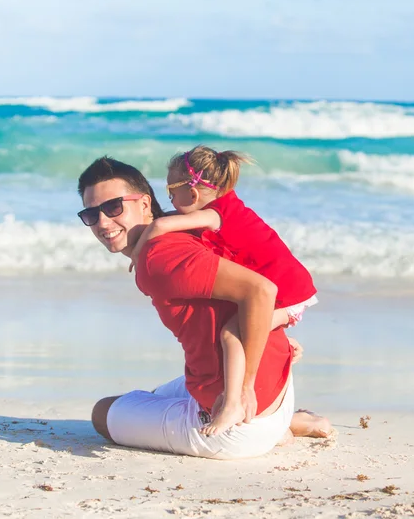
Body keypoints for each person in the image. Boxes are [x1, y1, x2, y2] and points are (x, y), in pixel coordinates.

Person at [77, 156, 331, 460]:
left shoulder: (158, 257)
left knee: (103, 412)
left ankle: (275, 427)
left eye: (113, 207)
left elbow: (261, 290)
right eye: (91, 214)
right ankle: (286, 422)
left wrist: (244, 388)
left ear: (145, 204)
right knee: (153, 396)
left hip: (240, 424)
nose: (103, 222)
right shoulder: (187, 228)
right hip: (277, 386)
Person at [129, 145, 318, 436]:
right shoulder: (228, 205)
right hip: (293, 293)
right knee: (245, 327)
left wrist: (137, 254)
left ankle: (238, 399)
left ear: (192, 195)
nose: (169, 201)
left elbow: (162, 225)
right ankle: (302, 421)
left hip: (287, 295)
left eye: (171, 193)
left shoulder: (216, 215)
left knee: (231, 335)